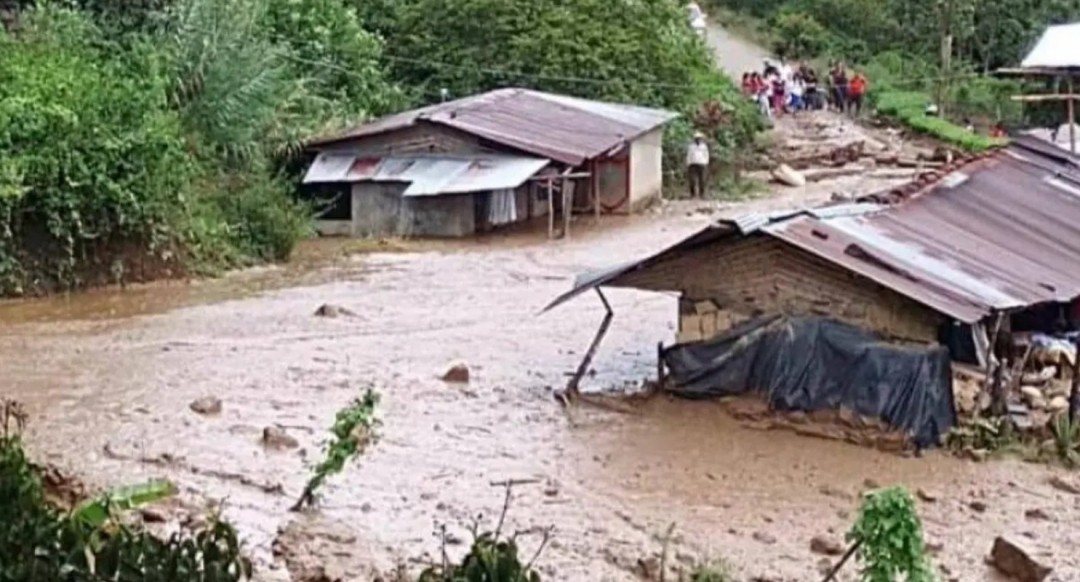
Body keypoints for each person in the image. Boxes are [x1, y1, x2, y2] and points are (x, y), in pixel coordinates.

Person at [686, 131, 709, 198]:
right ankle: (692, 194)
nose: (698, 139)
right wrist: (688, 163)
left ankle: (702, 194)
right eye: (696, 138)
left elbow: (706, 155)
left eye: (699, 138)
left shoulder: (704, 146)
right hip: (692, 164)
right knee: (692, 180)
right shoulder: (691, 146)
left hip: (702, 164)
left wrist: (706, 162)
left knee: (702, 180)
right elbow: (689, 155)